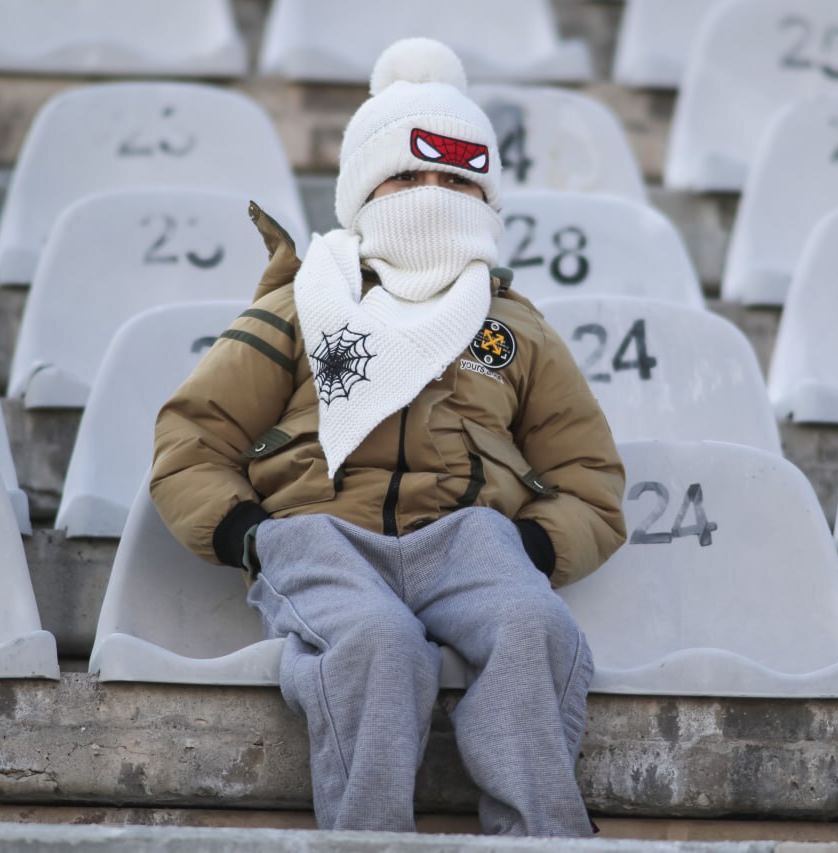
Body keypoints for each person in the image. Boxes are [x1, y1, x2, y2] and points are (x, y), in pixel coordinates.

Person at [149, 37, 626, 837]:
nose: (430, 197)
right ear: (363, 188)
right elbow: (193, 437)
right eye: (406, 176)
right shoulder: (305, 302)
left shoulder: (512, 328)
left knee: (534, 626)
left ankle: (542, 836)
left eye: (454, 180)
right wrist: (250, 537)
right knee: (378, 642)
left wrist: (533, 550)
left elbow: (588, 475)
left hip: (470, 540)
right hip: (320, 535)